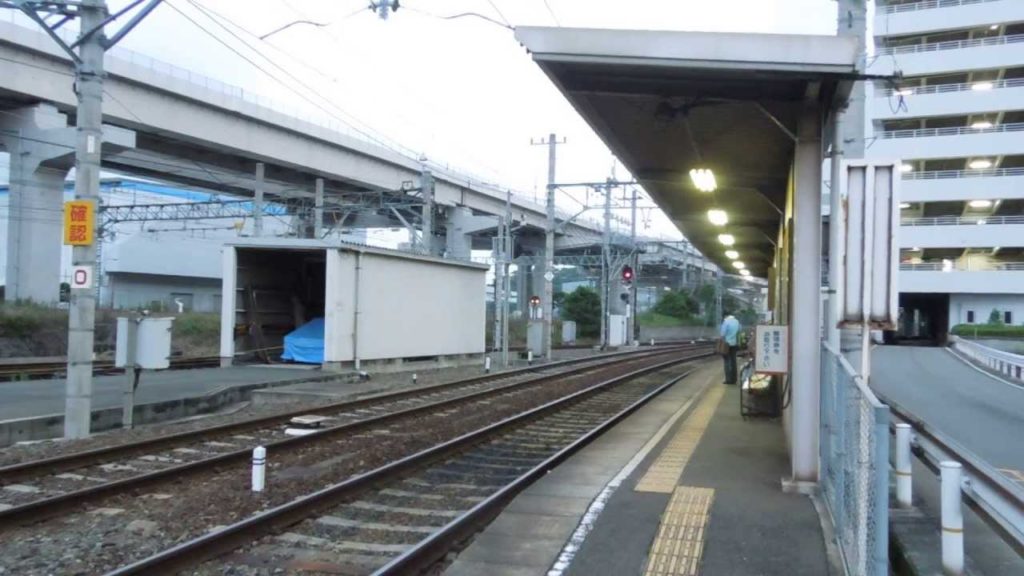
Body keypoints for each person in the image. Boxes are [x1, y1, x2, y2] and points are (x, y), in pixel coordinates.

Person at [720, 311, 741, 384]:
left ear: (726, 316)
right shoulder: (737, 321)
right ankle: (734, 379)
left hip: (727, 344)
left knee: (727, 361)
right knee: (733, 361)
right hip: (734, 344)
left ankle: (728, 380)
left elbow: (722, 334)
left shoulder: (726, 322)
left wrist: (721, 343)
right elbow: (739, 332)